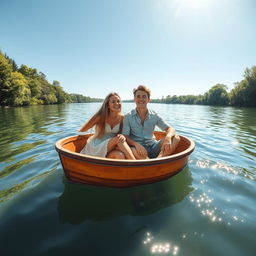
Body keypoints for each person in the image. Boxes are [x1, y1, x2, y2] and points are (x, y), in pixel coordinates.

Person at [122, 85, 180, 159]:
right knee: (132, 150)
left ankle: (159, 160)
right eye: (138, 96)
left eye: (144, 96)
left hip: (153, 147)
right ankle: (149, 161)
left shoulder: (154, 115)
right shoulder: (128, 117)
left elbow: (170, 129)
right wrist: (136, 144)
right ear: (134, 99)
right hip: (138, 149)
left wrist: (168, 137)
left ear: (148, 99)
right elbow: (125, 137)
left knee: (176, 137)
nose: (141, 99)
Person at [79, 92, 136, 160]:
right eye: (113, 102)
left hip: (112, 146)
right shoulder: (100, 117)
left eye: (118, 101)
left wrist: (122, 135)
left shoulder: (123, 118)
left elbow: (124, 134)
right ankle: (136, 165)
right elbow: (82, 130)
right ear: (108, 105)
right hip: (97, 146)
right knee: (119, 140)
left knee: (119, 155)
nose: (117, 103)